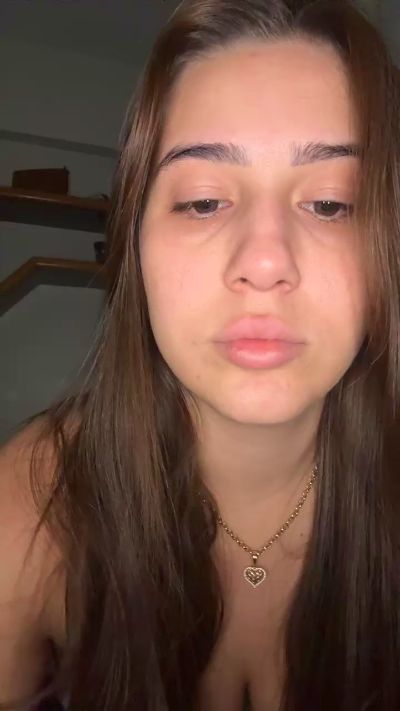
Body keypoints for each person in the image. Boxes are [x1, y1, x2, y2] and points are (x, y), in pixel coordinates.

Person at [1, 0, 399, 709]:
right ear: (135, 245)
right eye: (205, 202)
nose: (265, 262)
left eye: (332, 203)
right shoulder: (35, 496)